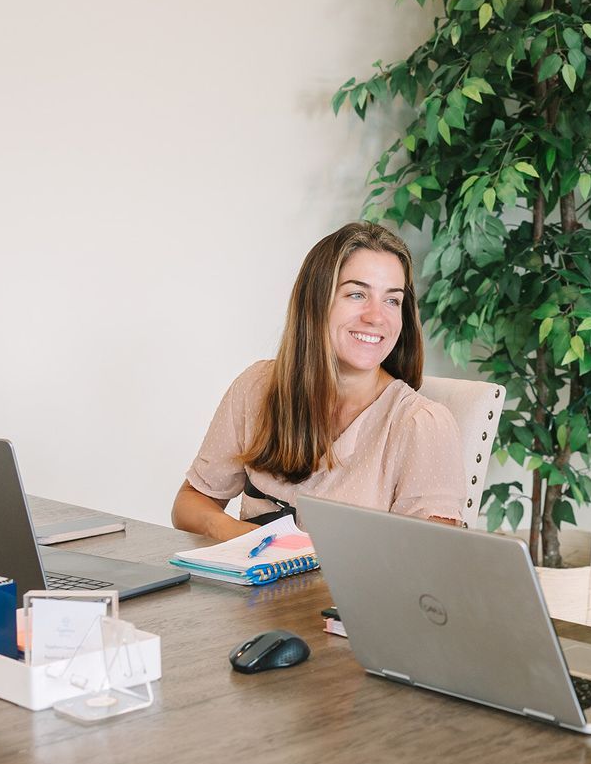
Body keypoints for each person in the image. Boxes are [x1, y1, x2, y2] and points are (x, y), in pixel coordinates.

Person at [172, 221, 464, 541]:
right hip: (250, 589)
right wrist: (246, 537)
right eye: (357, 294)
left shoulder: (421, 424)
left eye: (392, 300)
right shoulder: (256, 387)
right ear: (316, 301)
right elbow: (191, 503)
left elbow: (428, 565)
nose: (376, 316)